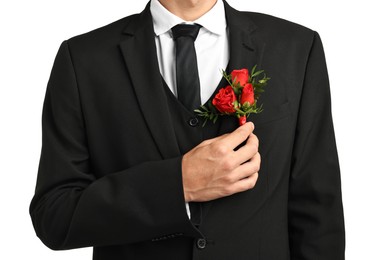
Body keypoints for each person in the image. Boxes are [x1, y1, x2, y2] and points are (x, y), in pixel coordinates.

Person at [29, 0, 345, 259]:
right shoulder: (83, 59)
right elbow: (54, 215)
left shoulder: (296, 49)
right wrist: (177, 185)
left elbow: (318, 212)